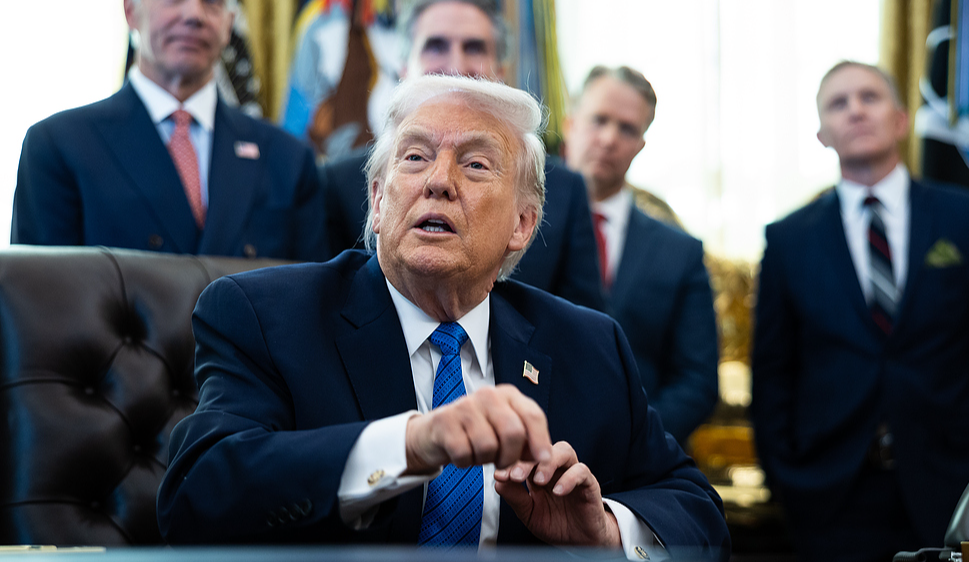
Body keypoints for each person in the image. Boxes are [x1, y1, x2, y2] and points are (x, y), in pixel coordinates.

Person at [156, 75, 730, 559]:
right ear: (378, 201)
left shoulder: (589, 345)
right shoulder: (267, 316)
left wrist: (603, 532)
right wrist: (410, 444)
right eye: (415, 157)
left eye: (476, 164)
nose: (438, 181)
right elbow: (196, 495)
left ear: (522, 225)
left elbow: (695, 510)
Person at [751, 61, 969, 562]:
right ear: (822, 134)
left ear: (900, 120)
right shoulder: (788, 240)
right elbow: (772, 375)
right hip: (831, 497)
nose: (855, 110)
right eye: (838, 103)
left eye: (869, 97)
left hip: (957, 488)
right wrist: (790, 483)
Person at [321, 0, 604, 311]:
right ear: (403, 67)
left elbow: (581, 328)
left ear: (501, 72)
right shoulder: (336, 182)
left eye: (474, 47)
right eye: (435, 46)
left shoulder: (565, 191)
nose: (455, 65)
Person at [11, 0, 328, 261]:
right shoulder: (58, 148)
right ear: (131, 11)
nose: (194, 14)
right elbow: (40, 300)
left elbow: (312, 299)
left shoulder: (288, 160)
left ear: (230, 22)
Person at [562, 66, 719, 444]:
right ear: (570, 124)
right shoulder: (512, 225)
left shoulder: (679, 253)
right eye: (599, 120)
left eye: (627, 129)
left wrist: (635, 442)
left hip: (638, 452)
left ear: (641, 145)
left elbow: (697, 381)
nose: (609, 139)